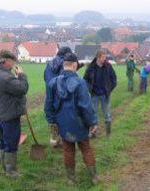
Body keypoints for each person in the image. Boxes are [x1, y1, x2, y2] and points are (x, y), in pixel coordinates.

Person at [45, 53, 99, 185]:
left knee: (68, 150)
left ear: (64, 66)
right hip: (79, 123)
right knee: (86, 148)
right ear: (74, 65)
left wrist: (52, 121)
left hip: (62, 123)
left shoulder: (52, 82)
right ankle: (94, 177)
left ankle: (71, 179)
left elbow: (48, 105)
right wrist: (92, 123)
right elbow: (85, 107)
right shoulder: (80, 83)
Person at [0, 50, 29, 178]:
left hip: (0, 113)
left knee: (4, 141)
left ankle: (5, 168)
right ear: (6, 61)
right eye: (12, 61)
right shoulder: (6, 77)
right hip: (9, 114)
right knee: (12, 142)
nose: (13, 64)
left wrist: (16, 77)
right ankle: (11, 171)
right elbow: (22, 88)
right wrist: (22, 75)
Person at [84, 50, 117, 138]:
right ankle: (94, 133)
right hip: (94, 94)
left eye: (105, 57)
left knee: (106, 113)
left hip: (104, 95)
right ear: (98, 57)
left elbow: (114, 78)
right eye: (103, 58)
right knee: (93, 113)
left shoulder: (108, 66)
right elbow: (85, 79)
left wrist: (109, 89)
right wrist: (89, 89)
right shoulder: (91, 67)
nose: (105, 59)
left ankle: (108, 134)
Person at [44, 46, 72, 147]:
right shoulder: (65, 64)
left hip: (50, 91)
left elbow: (45, 77)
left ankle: (54, 140)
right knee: (63, 115)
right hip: (61, 93)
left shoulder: (49, 64)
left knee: (52, 116)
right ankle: (63, 139)